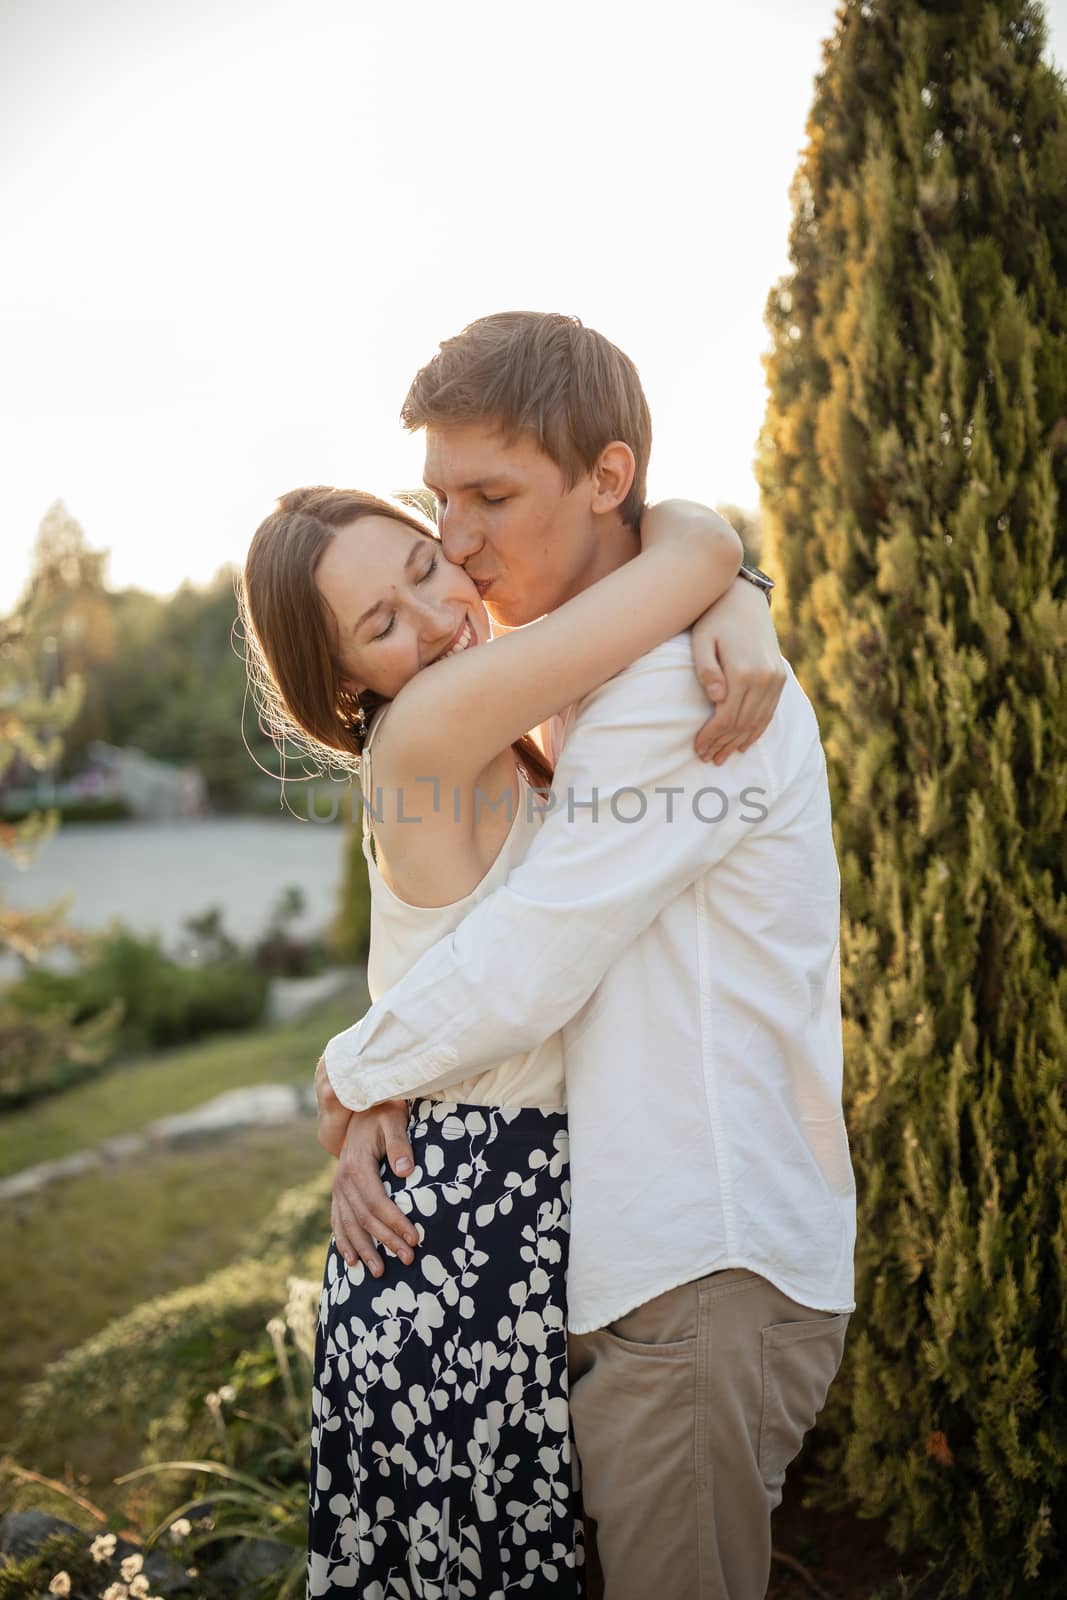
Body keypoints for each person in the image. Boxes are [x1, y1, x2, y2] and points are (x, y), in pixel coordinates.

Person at [318, 311, 857, 1600]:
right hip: (658, 1274)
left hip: (700, 1269)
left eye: (489, 496)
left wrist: (349, 1073)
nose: (456, 539)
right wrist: (724, 570)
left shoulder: (673, 692)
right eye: (441, 497)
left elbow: (536, 953)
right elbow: (679, 543)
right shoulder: (603, 670)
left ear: (605, 480)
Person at [241, 475, 757, 1596]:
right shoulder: (432, 723)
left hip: (483, 1218)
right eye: (380, 624)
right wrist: (731, 592)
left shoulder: (482, 725)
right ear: (342, 681)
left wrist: (736, 601)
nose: (435, 618)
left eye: (425, 566)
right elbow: (687, 552)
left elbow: (688, 567)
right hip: (461, 1246)